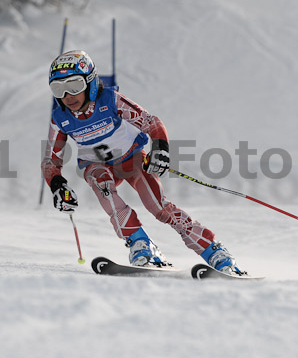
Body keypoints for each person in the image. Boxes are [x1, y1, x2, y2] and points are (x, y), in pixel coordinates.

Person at [41, 50, 244, 274]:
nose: (68, 95)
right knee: (102, 185)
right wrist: (57, 185)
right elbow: (51, 160)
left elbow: (150, 122)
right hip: (95, 165)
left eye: (74, 85)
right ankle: (141, 244)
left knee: (158, 207)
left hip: (132, 160)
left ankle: (213, 251)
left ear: (89, 82)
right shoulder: (60, 118)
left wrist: (160, 148)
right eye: (59, 89)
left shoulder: (110, 100)